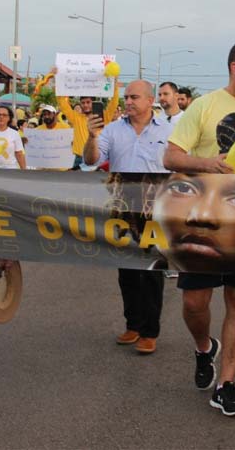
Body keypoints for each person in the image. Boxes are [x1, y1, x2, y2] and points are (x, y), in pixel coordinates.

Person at [163, 39, 235, 417]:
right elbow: (170, 157)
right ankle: (203, 348)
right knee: (195, 304)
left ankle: (226, 384)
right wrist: (207, 164)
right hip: (200, 219)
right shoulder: (204, 105)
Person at [84, 80, 172, 354]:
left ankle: (150, 331)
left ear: (149, 100)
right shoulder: (111, 130)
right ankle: (133, 325)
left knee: (151, 272)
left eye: (134, 97)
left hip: (155, 208)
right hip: (121, 208)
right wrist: (91, 137)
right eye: (126, 97)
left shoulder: (170, 131)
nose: (129, 101)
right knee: (127, 271)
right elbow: (91, 161)